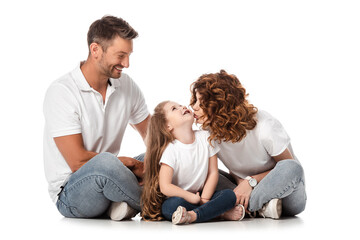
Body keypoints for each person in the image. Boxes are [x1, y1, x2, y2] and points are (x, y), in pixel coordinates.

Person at [43, 15, 150, 220]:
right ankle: (169, 206)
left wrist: (166, 158)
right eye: (120, 55)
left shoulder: (126, 85)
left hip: (114, 176)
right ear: (95, 50)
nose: (126, 63)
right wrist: (131, 164)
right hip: (72, 192)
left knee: (165, 155)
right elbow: (77, 161)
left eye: (129, 55)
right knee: (106, 164)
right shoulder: (62, 92)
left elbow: (152, 134)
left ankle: (123, 203)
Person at [190, 70, 306, 219]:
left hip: (285, 196)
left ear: (222, 106)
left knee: (292, 167)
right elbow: (235, 166)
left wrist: (250, 182)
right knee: (201, 170)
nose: (194, 107)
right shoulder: (210, 131)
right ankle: (262, 209)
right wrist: (241, 183)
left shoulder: (264, 126)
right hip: (242, 190)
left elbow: (287, 167)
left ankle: (238, 207)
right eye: (195, 101)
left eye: (202, 103)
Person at [141, 101, 245, 224]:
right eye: (174, 108)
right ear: (167, 126)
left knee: (229, 195)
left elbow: (213, 172)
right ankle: (219, 213)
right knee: (170, 206)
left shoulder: (205, 137)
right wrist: (190, 197)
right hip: (182, 198)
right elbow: (165, 187)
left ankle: (193, 215)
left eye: (180, 105)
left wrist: (205, 198)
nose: (182, 107)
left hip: (202, 196)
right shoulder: (171, 150)